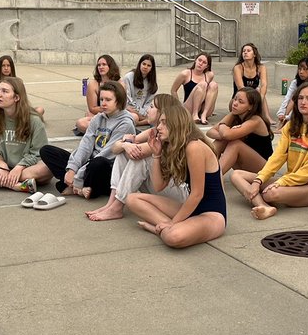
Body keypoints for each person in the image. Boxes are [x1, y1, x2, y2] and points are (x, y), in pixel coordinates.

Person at [230, 82, 308, 220]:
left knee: (271, 194)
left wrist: (281, 182)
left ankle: (264, 200)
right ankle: (264, 207)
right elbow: (277, 157)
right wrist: (259, 181)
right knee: (236, 175)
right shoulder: (291, 126)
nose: (303, 102)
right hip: (293, 181)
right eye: (300, 98)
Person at [126, 104, 227, 248]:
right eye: (160, 122)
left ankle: (163, 228)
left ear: (177, 124)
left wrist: (173, 222)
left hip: (212, 213)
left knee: (174, 237)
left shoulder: (194, 147)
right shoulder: (172, 146)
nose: (159, 127)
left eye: (164, 123)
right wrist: (156, 154)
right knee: (132, 199)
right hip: (191, 207)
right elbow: (158, 186)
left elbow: (198, 194)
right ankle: (167, 227)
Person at [85, 95, 185, 222]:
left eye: (152, 107)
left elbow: (138, 152)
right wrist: (125, 144)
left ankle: (116, 207)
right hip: (162, 188)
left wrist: (127, 145)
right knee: (123, 152)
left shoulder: (166, 136)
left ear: (163, 112)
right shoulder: (154, 131)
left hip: (179, 196)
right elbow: (115, 149)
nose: (147, 110)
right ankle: (112, 204)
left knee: (139, 158)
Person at [41, 79, 136, 199]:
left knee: (98, 163)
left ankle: (78, 187)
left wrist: (77, 177)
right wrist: (72, 169)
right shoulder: (98, 118)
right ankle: (81, 188)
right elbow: (85, 145)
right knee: (47, 151)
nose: (103, 103)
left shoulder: (125, 124)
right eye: (101, 99)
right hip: (88, 164)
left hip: (107, 169)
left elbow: (108, 153)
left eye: (108, 100)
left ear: (119, 101)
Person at [208, 87, 273, 176]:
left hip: (264, 168)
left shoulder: (255, 121)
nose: (235, 104)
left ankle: (213, 179)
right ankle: (207, 171)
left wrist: (223, 125)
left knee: (235, 144)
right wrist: (223, 135)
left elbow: (226, 134)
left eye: (241, 102)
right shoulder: (235, 114)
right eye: (235, 99)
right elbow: (210, 132)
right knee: (222, 141)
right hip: (245, 163)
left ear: (251, 106)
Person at [170, 52, 219, 124]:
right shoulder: (185, 74)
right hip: (189, 108)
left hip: (204, 109)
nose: (200, 63)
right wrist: (178, 108)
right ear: (195, 60)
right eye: (199, 60)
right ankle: (195, 114)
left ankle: (204, 115)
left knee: (214, 85)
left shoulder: (209, 75)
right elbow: (173, 90)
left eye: (204, 62)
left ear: (207, 66)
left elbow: (210, 91)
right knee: (202, 84)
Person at [76, 55, 121, 134]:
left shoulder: (120, 83)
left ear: (110, 66)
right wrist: (108, 109)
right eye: (99, 65)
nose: (101, 67)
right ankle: (108, 132)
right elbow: (92, 108)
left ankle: (103, 132)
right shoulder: (93, 84)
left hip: (116, 115)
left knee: (133, 117)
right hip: (100, 115)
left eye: (104, 64)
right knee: (81, 123)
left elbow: (121, 106)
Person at [275, 57, 308, 124]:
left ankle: (286, 121)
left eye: (304, 69)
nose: (301, 72)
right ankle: (284, 121)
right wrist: (281, 113)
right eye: (299, 69)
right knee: (294, 98)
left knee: (300, 99)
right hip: (294, 110)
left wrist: (288, 117)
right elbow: (287, 97)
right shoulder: (295, 82)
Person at [123, 54, 158, 126]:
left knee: (158, 115)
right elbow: (128, 99)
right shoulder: (128, 77)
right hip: (129, 109)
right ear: (139, 64)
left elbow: (149, 102)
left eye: (149, 65)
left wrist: (143, 113)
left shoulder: (151, 82)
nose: (145, 67)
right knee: (134, 117)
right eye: (144, 64)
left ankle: (140, 123)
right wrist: (139, 113)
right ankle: (142, 121)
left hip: (143, 112)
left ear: (152, 68)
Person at [232, 43, 270, 111]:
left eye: (248, 51)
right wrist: (251, 101)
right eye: (244, 51)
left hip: (254, 99)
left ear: (254, 54)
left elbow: (264, 85)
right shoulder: (238, 68)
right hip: (239, 100)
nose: (245, 52)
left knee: (258, 90)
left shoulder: (261, 67)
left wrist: (261, 98)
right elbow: (241, 88)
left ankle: (268, 118)